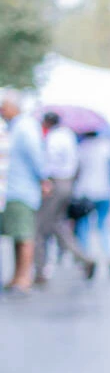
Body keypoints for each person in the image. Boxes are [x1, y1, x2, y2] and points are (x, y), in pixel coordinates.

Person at [34, 111, 95, 281]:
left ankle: (39, 272)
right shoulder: (68, 135)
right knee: (57, 225)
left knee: (40, 228)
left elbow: (49, 162)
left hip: (55, 183)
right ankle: (83, 259)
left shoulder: (54, 138)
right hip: (67, 183)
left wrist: (44, 180)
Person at [2, 92, 46, 292]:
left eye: (4, 106)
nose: (2, 109)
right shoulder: (14, 126)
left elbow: (36, 156)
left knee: (24, 235)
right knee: (16, 235)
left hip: (22, 190)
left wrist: (43, 178)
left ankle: (24, 278)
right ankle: (17, 276)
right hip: (12, 190)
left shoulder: (25, 127)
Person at [73, 130, 110, 276]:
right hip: (105, 191)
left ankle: (87, 258)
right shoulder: (107, 146)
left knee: (84, 227)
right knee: (102, 226)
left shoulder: (81, 148)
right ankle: (108, 256)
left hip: (86, 192)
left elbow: (76, 171)